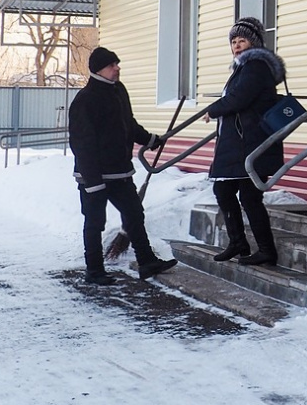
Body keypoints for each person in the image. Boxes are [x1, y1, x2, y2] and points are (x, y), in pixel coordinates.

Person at [68, 47, 178, 285]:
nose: (117, 68)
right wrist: (93, 181)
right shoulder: (85, 100)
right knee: (95, 222)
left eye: (117, 64)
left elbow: (128, 123)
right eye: (112, 65)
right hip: (94, 175)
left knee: (134, 214)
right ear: (99, 69)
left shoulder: (118, 91)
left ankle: (147, 261)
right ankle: (94, 271)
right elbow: (81, 143)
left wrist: (149, 139)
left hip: (120, 170)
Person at [204, 17, 286, 266]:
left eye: (242, 40)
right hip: (242, 141)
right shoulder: (244, 68)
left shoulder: (256, 66)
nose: (237, 46)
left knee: (248, 196)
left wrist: (213, 109)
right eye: (234, 41)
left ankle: (265, 250)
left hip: (250, 141)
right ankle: (238, 241)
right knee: (225, 190)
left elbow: (239, 98)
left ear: (255, 43)